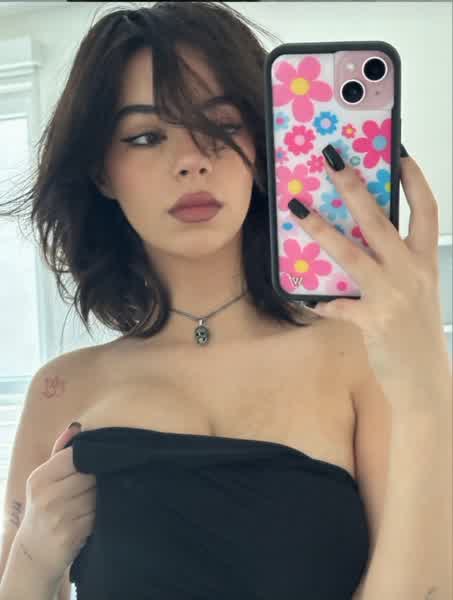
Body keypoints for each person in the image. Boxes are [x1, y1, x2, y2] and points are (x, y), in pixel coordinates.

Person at [0, 3, 373, 599]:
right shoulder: (61, 391)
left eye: (220, 126)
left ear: (262, 147)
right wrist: (35, 554)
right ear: (101, 172)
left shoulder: (357, 354)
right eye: (146, 136)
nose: (191, 160)